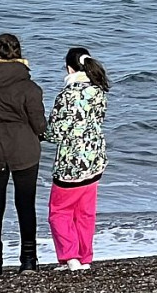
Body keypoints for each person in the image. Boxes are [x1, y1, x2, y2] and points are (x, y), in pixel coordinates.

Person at [0, 33, 47, 274]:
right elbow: (39, 125)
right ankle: (28, 260)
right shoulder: (29, 86)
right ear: (19, 53)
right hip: (23, 147)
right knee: (25, 205)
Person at [43, 46, 111, 271]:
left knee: (59, 212)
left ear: (69, 68)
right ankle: (85, 257)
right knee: (84, 212)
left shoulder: (67, 94)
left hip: (71, 163)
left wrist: (39, 133)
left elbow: (56, 132)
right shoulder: (98, 90)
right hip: (94, 159)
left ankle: (69, 257)